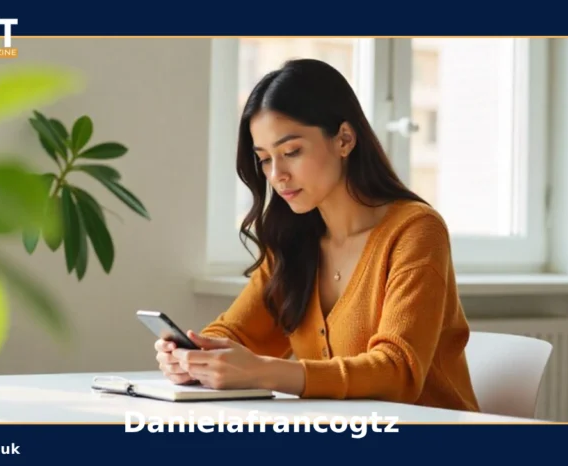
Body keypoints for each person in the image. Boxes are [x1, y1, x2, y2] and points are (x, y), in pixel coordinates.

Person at [155, 58, 480, 412]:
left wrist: (265, 372)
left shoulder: (415, 231)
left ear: (344, 139)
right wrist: (194, 355)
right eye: (264, 158)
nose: (276, 174)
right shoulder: (294, 241)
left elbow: (397, 372)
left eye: (291, 152)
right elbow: (234, 333)